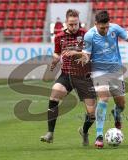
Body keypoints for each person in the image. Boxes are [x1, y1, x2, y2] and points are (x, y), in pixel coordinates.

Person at [65, 10, 128, 148]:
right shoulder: (89, 36)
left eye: (106, 27)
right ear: (96, 24)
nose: (105, 30)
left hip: (116, 71)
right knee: (104, 98)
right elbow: (87, 55)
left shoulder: (115, 29)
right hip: (99, 71)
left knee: (121, 104)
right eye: (102, 28)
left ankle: (116, 113)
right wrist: (83, 57)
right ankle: (99, 136)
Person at [40, 9, 97, 146]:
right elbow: (57, 52)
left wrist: (76, 53)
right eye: (70, 24)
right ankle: (50, 134)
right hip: (66, 75)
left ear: (79, 22)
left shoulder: (86, 35)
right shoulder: (59, 37)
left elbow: (91, 54)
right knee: (54, 95)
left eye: (75, 24)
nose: (73, 27)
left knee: (92, 114)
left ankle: (84, 131)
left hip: (83, 76)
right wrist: (55, 59)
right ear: (66, 23)